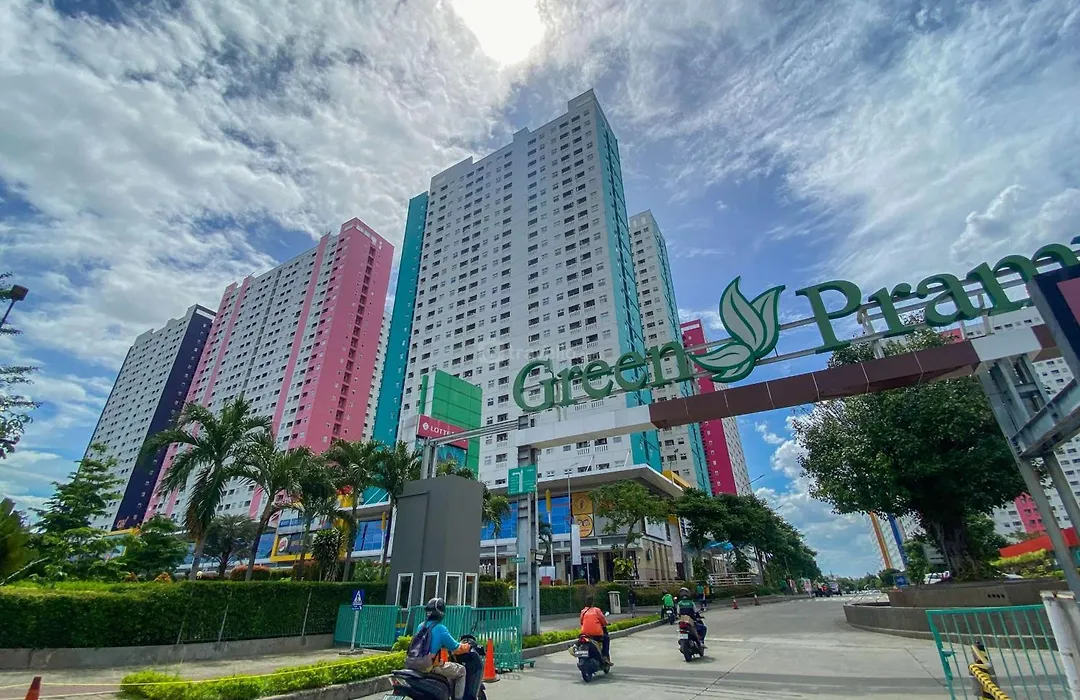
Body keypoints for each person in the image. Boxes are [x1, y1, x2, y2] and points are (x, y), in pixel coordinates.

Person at [407, 597, 478, 700]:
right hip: (429, 666)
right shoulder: (440, 629)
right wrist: (468, 645)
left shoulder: (421, 626)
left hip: (412, 663)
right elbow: (456, 648)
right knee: (461, 671)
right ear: (441, 613)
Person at [580, 597, 612, 665]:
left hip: (585, 634)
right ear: (593, 603)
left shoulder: (583, 611)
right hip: (596, 635)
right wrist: (606, 623)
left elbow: (581, 622)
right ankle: (605, 656)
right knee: (606, 638)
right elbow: (603, 620)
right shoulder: (597, 610)